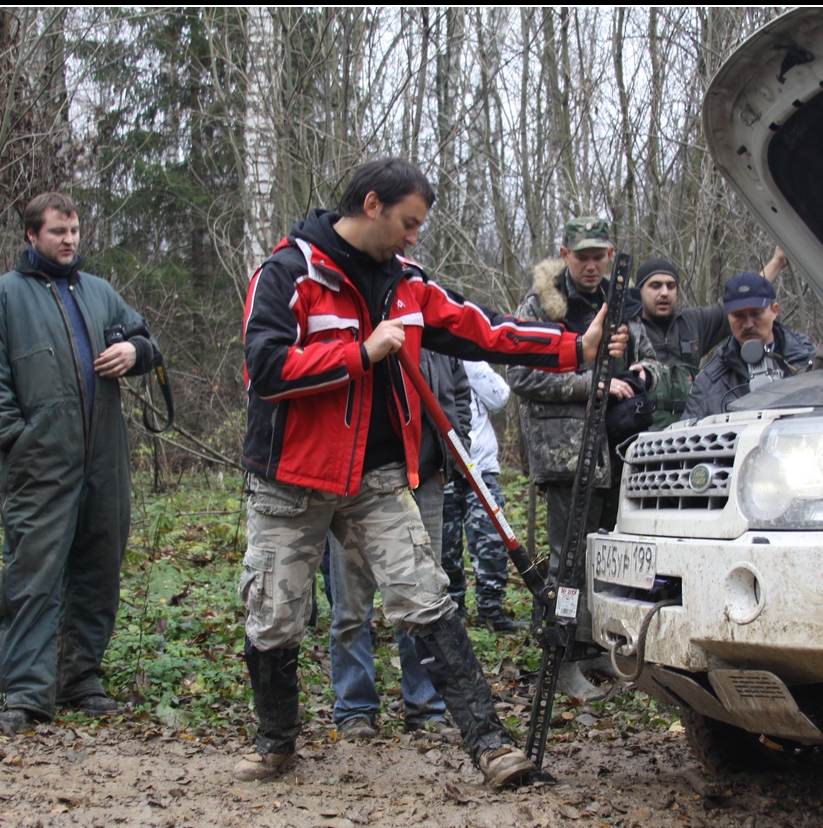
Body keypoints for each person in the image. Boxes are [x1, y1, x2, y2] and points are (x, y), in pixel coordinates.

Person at [232, 157, 624, 790]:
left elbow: (485, 332)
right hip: (291, 478)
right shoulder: (288, 272)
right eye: (409, 223)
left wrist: (572, 349)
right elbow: (265, 368)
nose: (414, 238)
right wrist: (361, 353)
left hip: (377, 478)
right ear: (372, 205)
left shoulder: (409, 284)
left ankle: (491, 746)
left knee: (426, 598)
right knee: (274, 616)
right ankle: (275, 743)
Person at [0, 192, 161, 734]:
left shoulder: (98, 292)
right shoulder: (2, 299)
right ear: (32, 235)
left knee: (99, 569)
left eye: (74, 231)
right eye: (57, 232)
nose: (69, 240)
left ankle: (79, 678)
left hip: (104, 460)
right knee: (33, 575)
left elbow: (147, 340)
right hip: (40, 463)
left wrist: (135, 352)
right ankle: (26, 691)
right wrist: (17, 440)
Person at [509, 217, 660, 702]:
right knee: (566, 565)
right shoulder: (541, 305)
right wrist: (592, 384)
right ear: (565, 255)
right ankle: (560, 660)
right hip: (566, 455)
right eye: (582, 257)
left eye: (599, 256)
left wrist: (640, 374)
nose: (591, 266)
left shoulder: (621, 302)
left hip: (616, 452)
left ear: (610, 255)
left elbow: (654, 361)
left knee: (604, 560)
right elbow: (522, 375)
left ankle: (592, 646)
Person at [322, 348, 469, 738]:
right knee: (351, 604)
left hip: (426, 476)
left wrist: (449, 459)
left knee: (424, 600)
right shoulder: (357, 326)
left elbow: (458, 397)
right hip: (358, 480)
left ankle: (426, 708)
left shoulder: (434, 334)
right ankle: (354, 709)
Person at [632, 248, 789, 428]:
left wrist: (777, 262)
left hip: (688, 429)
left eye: (671, 286)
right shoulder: (628, 329)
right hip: (641, 434)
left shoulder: (693, 322)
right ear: (639, 291)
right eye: (655, 286)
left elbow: (744, 301)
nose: (664, 292)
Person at [440, 360, 517, 632]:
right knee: (444, 545)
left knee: (491, 540)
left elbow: (500, 397)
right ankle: (452, 610)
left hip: (480, 469)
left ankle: (490, 609)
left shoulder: (472, 363)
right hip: (442, 467)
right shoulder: (430, 358)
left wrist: (465, 360)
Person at [681, 269, 817, 423]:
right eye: (738, 316)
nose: (748, 324)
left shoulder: (810, 362)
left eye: (756, 313)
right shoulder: (709, 381)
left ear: (774, 311)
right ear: (728, 317)